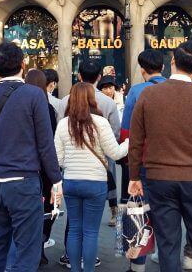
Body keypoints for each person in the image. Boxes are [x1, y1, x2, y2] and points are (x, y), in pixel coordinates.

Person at [128, 41, 192, 272]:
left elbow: (135, 141)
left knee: (168, 244)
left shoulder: (148, 95)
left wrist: (134, 176)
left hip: (158, 178)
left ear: (172, 62)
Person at [0, 41, 62, 271]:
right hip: (23, 182)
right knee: (27, 252)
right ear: (23, 64)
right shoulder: (34, 95)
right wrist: (56, 180)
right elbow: (45, 143)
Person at [55, 82, 129, 272]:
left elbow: (58, 159)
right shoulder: (100, 123)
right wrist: (130, 141)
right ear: (91, 99)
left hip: (71, 181)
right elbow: (116, 153)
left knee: (74, 230)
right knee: (90, 232)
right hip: (95, 183)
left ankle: (74, 269)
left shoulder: (63, 124)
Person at [119, 50, 166, 272]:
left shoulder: (137, 92)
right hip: (171, 162)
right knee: (167, 213)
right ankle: (167, 257)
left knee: (139, 212)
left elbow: (127, 132)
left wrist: (129, 162)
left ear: (142, 69)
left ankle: (138, 264)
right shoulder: (176, 89)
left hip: (144, 161)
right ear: (163, 67)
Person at [26, 69, 59, 265]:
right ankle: (40, 244)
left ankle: (33, 248)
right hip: (43, 167)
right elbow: (50, 141)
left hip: (26, 165)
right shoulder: (47, 108)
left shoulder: (17, 105)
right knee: (45, 208)